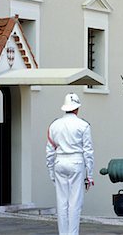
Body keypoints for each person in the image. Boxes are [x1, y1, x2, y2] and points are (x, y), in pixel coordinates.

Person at [46, 93, 94, 235]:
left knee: (62, 203)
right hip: (76, 162)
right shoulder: (83, 125)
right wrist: (89, 175)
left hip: (59, 162)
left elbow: (49, 150)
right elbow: (88, 152)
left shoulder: (54, 125)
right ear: (77, 108)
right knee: (75, 203)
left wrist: (51, 171)